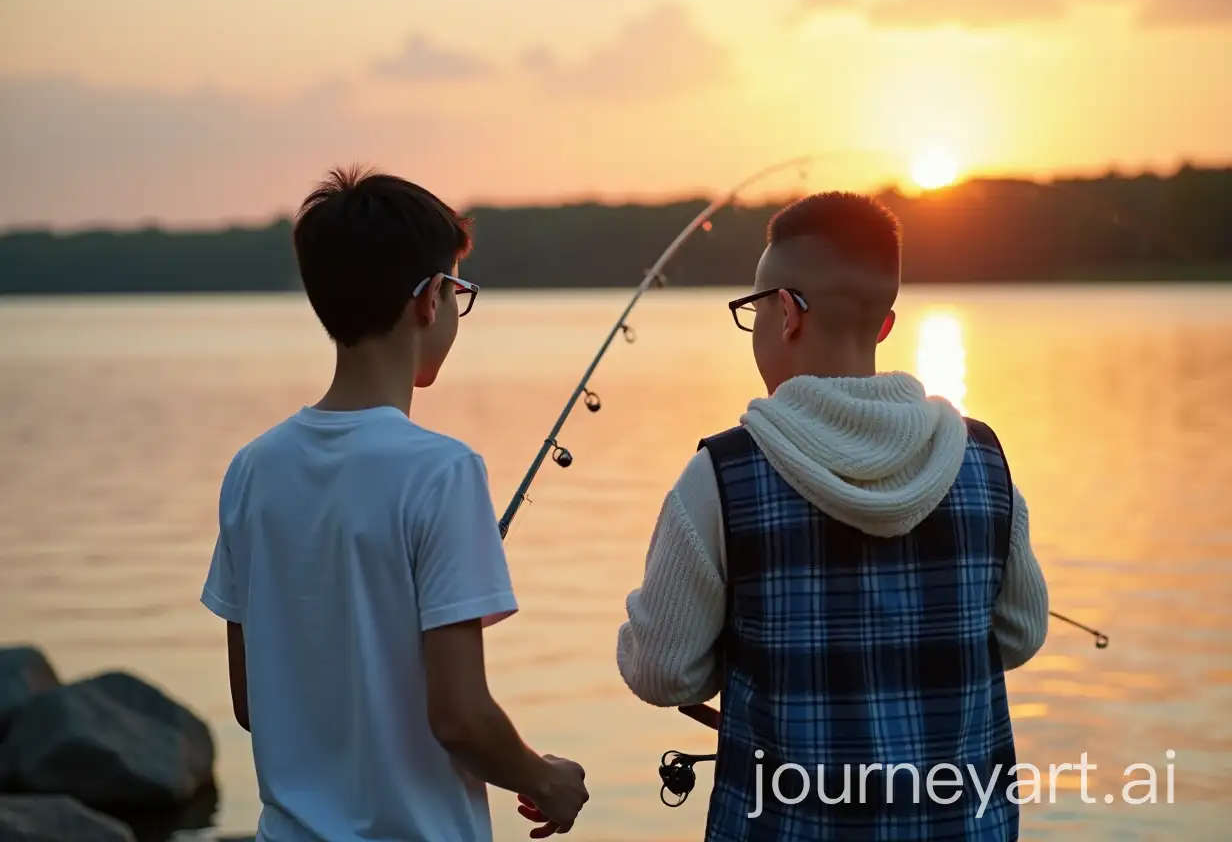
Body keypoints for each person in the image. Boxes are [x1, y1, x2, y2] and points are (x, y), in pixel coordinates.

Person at [616, 192, 1049, 840]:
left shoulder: (722, 476)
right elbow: (1020, 633)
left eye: (753, 310)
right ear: (883, 325)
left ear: (785, 312)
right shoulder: (983, 461)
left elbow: (661, 671)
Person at [201, 167, 589, 842]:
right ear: (429, 299)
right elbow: (462, 719)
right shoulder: (443, 472)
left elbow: (251, 702)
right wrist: (543, 777)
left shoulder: (251, 470)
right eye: (458, 292)